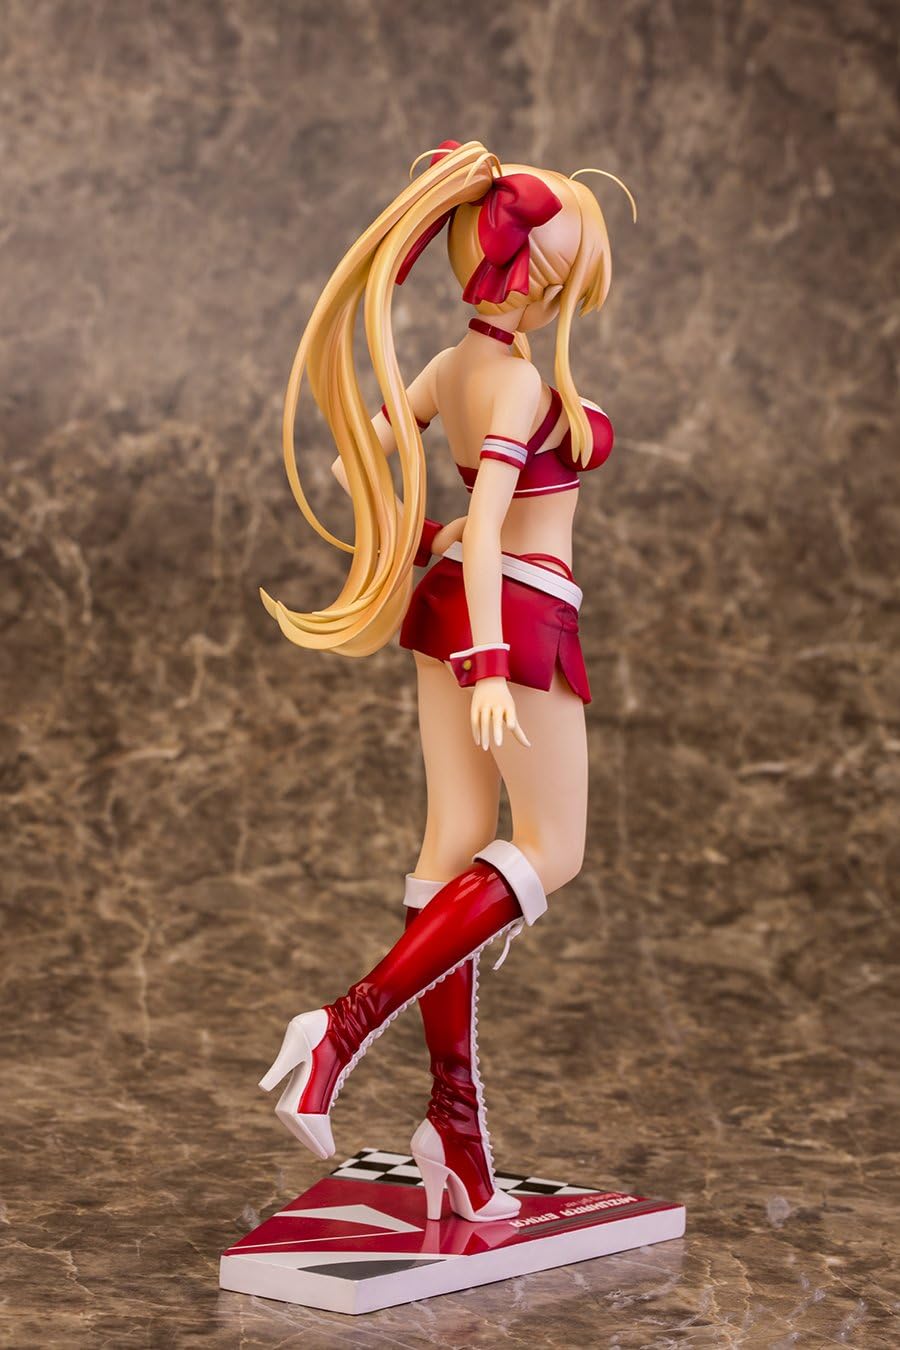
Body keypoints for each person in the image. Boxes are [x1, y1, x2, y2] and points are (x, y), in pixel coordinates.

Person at [259, 139, 634, 1222]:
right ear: (539, 280)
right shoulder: (515, 384)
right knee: (553, 850)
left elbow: (355, 463)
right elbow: (491, 538)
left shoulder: (445, 368)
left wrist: (425, 537)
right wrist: (492, 663)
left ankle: (456, 1133)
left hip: (455, 615)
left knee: (454, 847)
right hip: (516, 618)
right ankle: (342, 1026)